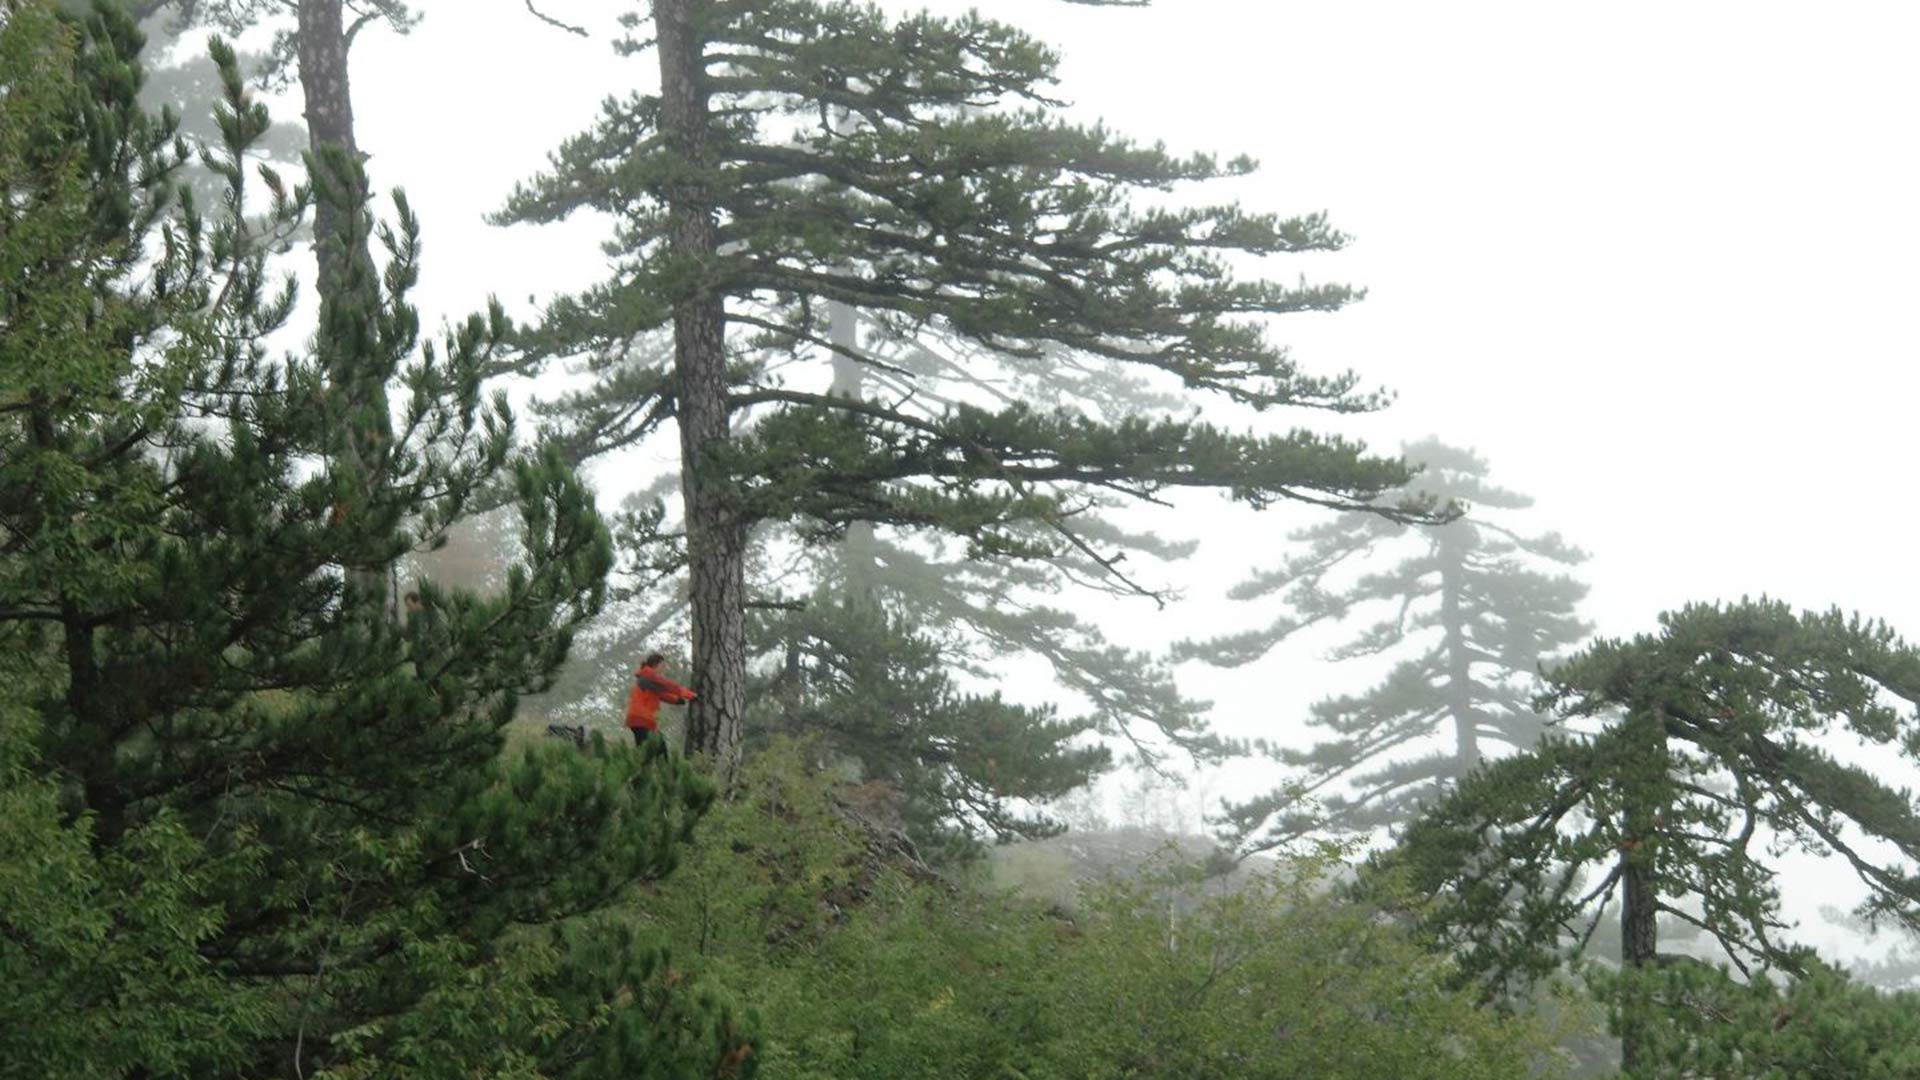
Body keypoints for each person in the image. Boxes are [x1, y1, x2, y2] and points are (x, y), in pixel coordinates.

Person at [626, 652, 696, 746]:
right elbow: (669, 686)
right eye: (662, 666)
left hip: (640, 719)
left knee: (651, 749)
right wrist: (690, 695)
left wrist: (678, 700)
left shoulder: (647, 678)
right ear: (655, 665)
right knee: (655, 748)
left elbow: (662, 694)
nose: (663, 669)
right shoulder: (649, 674)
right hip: (641, 718)